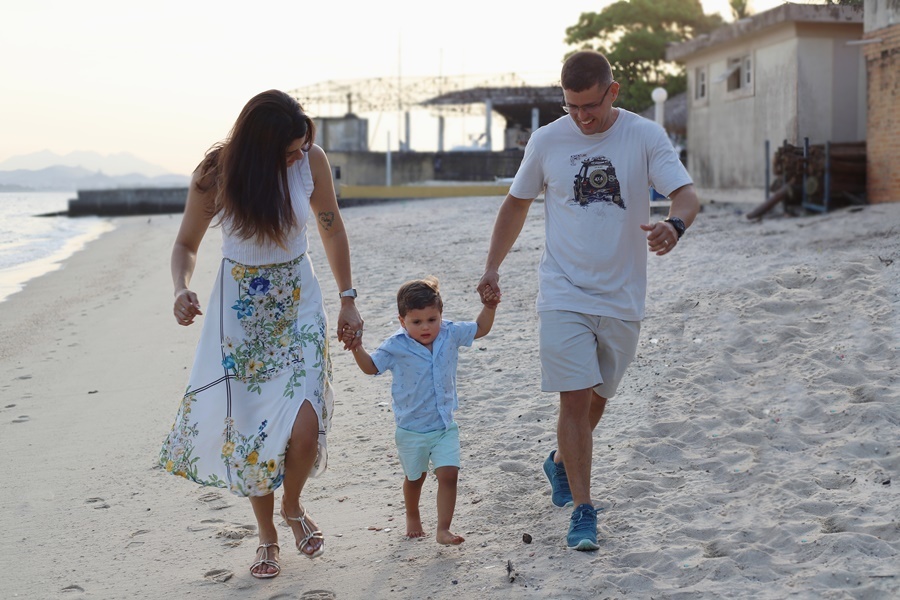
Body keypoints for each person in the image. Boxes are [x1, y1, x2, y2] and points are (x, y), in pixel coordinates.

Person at [477, 51, 700, 551]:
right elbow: (516, 204)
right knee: (574, 399)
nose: (581, 117)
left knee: (598, 399)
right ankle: (584, 511)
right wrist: (492, 266)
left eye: (591, 106)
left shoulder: (643, 135)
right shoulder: (548, 140)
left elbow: (685, 195)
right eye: (572, 106)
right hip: (563, 291)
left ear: (612, 92)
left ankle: (559, 461)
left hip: (623, 296)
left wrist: (675, 225)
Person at [159, 90, 364, 578]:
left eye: (301, 147)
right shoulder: (216, 176)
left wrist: (348, 297)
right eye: (289, 149)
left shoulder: (310, 160)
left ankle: (292, 506)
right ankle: (268, 536)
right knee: (252, 430)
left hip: (299, 302)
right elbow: (186, 244)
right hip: (241, 314)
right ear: (259, 145)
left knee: (305, 425)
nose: (298, 155)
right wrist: (179, 288)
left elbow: (331, 229)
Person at [344, 276, 498, 545]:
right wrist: (357, 348)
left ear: (441, 314)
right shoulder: (395, 345)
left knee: (449, 474)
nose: (426, 327)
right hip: (411, 429)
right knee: (415, 479)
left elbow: (481, 328)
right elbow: (371, 367)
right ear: (402, 320)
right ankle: (413, 515)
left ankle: (443, 529)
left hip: (443, 426)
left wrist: (490, 306)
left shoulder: (449, 332)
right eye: (416, 322)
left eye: (432, 319)